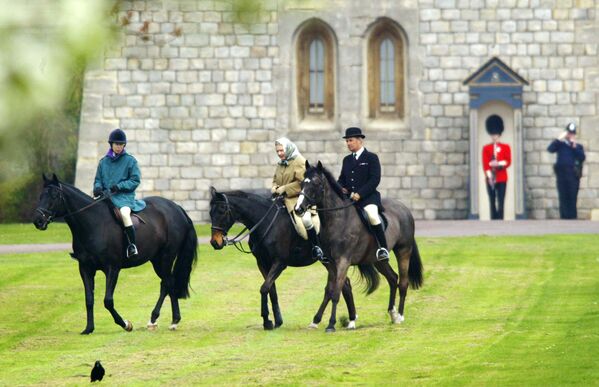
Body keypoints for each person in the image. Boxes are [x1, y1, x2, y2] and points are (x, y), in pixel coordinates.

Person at [337, 127, 389, 260]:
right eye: (347, 141)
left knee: (372, 216)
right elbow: (342, 179)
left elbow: (374, 180)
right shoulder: (347, 160)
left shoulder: (371, 157)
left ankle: (383, 248)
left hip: (368, 198)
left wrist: (360, 194)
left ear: (360, 141)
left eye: (351, 140)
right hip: (350, 199)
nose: (348, 143)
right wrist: (341, 188)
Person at [93, 128, 146, 258]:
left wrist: (120, 186)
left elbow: (135, 180)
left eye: (121, 145)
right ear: (111, 144)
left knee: (124, 215)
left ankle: (132, 245)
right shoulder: (103, 162)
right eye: (116, 144)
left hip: (124, 197)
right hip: (106, 197)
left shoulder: (130, 161)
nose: (118, 147)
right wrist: (98, 188)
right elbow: (98, 180)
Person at [271, 137, 324, 262]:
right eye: (277, 151)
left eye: (281, 151)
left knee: (304, 223)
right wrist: (274, 187)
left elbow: (303, 182)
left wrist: (284, 188)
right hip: (281, 200)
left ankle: (316, 247)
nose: (279, 154)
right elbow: (275, 179)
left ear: (288, 148)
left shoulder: (299, 161)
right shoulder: (280, 163)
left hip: (300, 200)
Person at [547, 122, 586, 219]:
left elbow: (582, 157)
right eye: (569, 133)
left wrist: (574, 147)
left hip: (573, 176)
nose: (570, 135)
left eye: (572, 134)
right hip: (562, 175)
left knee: (572, 197)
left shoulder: (578, 147)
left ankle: (572, 218)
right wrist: (558, 139)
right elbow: (550, 149)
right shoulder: (561, 145)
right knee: (563, 197)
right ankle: (564, 219)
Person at [482, 115, 511, 220]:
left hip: (502, 177)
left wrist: (499, 164)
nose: (494, 136)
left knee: (501, 200)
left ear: (499, 135)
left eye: (496, 135)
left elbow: (508, 161)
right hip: (491, 178)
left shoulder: (505, 147)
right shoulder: (486, 148)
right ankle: (493, 220)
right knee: (492, 200)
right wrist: (490, 177)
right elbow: (485, 164)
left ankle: (500, 220)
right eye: (493, 134)